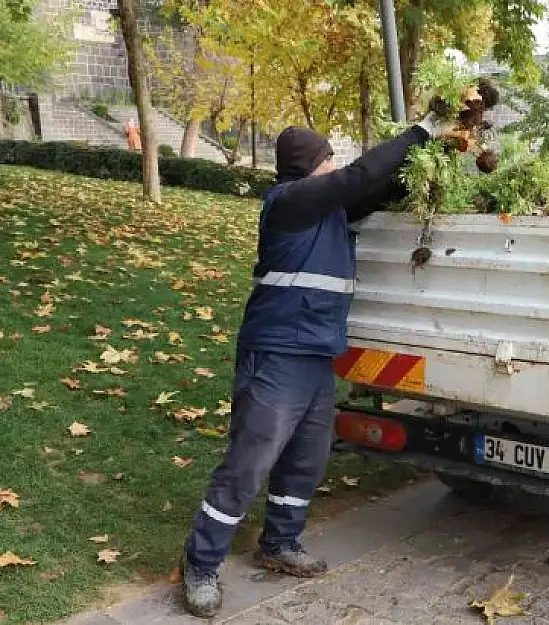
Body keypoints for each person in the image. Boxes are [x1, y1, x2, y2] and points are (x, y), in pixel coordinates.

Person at [180, 113, 454, 618]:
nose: (335, 165)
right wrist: (421, 131)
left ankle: (280, 542)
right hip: (278, 352)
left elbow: (378, 185)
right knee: (250, 460)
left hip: (315, 353)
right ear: (309, 166)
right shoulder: (291, 202)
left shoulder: (329, 210)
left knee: (307, 456)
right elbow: (359, 177)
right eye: (327, 158)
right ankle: (201, 564)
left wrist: (438, 154)